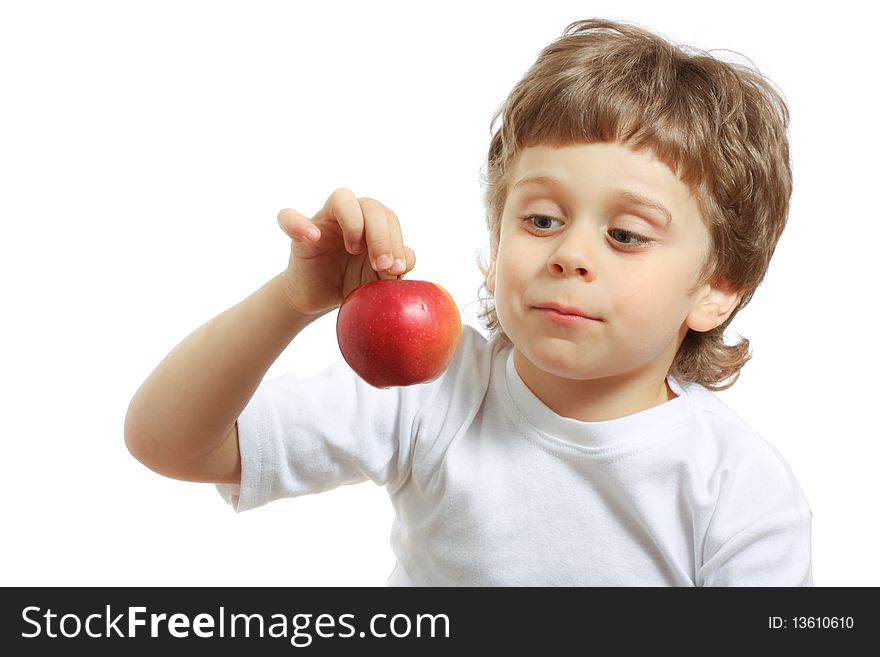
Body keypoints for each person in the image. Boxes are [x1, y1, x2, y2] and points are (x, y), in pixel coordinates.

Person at [124, 18, 813, 586]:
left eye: (626, 234)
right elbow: (168, 442)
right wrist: (292, 299)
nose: (569, 253)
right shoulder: (433, 390)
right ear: (495, 239)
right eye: (541, 219)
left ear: (718, 288)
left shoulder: (738, 488)